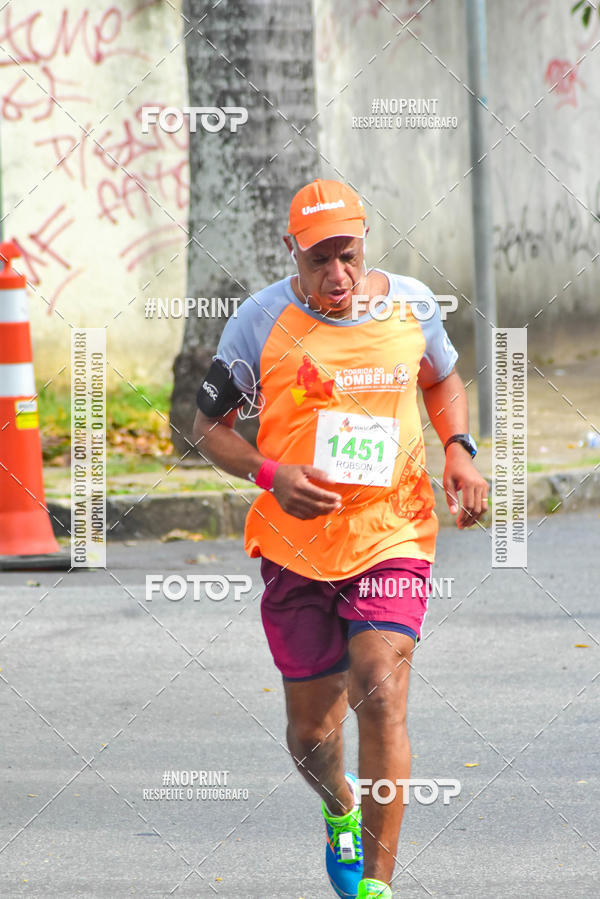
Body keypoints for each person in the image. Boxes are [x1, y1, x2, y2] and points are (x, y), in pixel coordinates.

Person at [192, 179, 488, 899]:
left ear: (365, 244)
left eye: (348, 256)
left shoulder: (412, 304)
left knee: (379, 689)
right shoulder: (259, 321)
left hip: (393, 528)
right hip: (295, 546)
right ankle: (339, 807)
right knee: (311, 738)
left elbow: (442, 378)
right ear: (291, 251)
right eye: (319, 259)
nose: (338, 275)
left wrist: (459, 448)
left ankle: (376, 888)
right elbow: (208, 429)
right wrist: (271, 474)